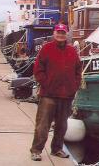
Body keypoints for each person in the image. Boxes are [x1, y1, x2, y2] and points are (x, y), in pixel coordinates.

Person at [30, 23, 82, 161]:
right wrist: (47, 84)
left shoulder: (72, 51)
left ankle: (57, 149)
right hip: (48, 95)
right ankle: (36, 150)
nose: (60, 35)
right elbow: (38, 70)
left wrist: (74, 87)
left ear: (66, 35)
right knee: (42, 125)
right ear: (54, 33)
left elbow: (78, 71)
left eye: (63, 32)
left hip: (66, 96)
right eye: (58, 32)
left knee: (62, 125)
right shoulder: (46, 49)